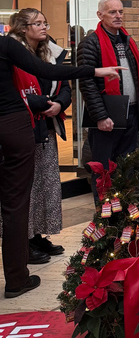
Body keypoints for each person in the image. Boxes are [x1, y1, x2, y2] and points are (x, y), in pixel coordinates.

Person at [0, 33, 122, 299]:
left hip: (12, 123)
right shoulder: (4, 44)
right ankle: (16, 279)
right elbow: (44, 69)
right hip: (11, 124)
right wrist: (94, 70)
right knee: (15, 205)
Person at [9, 9, 72, 263]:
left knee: (46, 187)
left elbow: (64, 86)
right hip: (22, 130)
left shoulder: (51, 51)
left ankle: (37, 236)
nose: (44, 27)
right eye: (37, 23)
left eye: (45, 22)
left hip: (46, 128)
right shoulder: (12, 53)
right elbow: (12, 91)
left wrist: (59, 104)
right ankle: (22, 241)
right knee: (27, 189)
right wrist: (36, 103)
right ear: (23, 28)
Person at [77, 0, 139, 173]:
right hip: (107, 114)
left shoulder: (127, 41)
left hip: (130, 112)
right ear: (100, 15)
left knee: (127, 166)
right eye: (112, 12)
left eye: (121, 12)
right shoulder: (90, 44)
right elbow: (87, 84)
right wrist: (100, 116)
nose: (118, 16)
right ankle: (104, 202)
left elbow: (136, 80)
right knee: (104, 168)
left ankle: (123, 202)